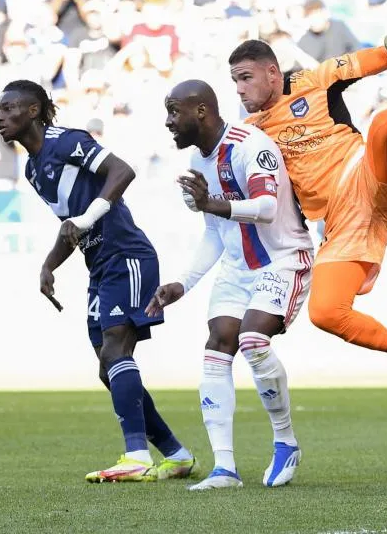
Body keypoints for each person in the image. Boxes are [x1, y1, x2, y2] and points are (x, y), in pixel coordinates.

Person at [229, 34, 387, 408]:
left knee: (381, 129)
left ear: (272, 72)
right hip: (343, 219)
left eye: (245, 77)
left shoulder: (313, 81)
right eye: (234, 81)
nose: (239, 88)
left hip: (368, 175)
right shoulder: (253, 133)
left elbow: (377, 56)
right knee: (326, 312)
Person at [0, 79, 194, 483]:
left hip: (127, 255)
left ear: (33, 110)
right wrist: (50, 264)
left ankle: (136, 455)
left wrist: (85, 220)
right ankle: (176, 453)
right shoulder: (34, 169)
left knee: (117, 349)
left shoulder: (67, 141)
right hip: (99, 265)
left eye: (8, 108)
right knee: (108, 367)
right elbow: (70, 225)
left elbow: (123, 171)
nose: (0, 117)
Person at [145, 80, 313, 490]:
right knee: (218, 343)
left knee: (253, 340)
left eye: (173, 112)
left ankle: (286, 441)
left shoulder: (250, 144)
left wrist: (210, 204)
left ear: (200, 111)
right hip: (238, 270)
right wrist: (182, 284)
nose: (168, 122)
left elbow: (268, 209)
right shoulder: (199, 165)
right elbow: (215, 233)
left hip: (284, 259)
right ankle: (225, 469)